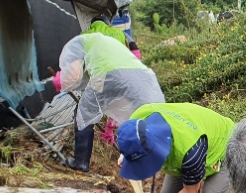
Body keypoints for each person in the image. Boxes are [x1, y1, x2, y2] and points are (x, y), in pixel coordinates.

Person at [54, 32, 164, 172]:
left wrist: (60, 81)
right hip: (136, 79)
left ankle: (80, 162)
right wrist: (110, 127)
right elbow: (119, 100)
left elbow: (74, 75)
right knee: (136, 117)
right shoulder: (121, 40)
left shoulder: (86, 36)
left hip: (105, 75)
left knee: (83, 114)